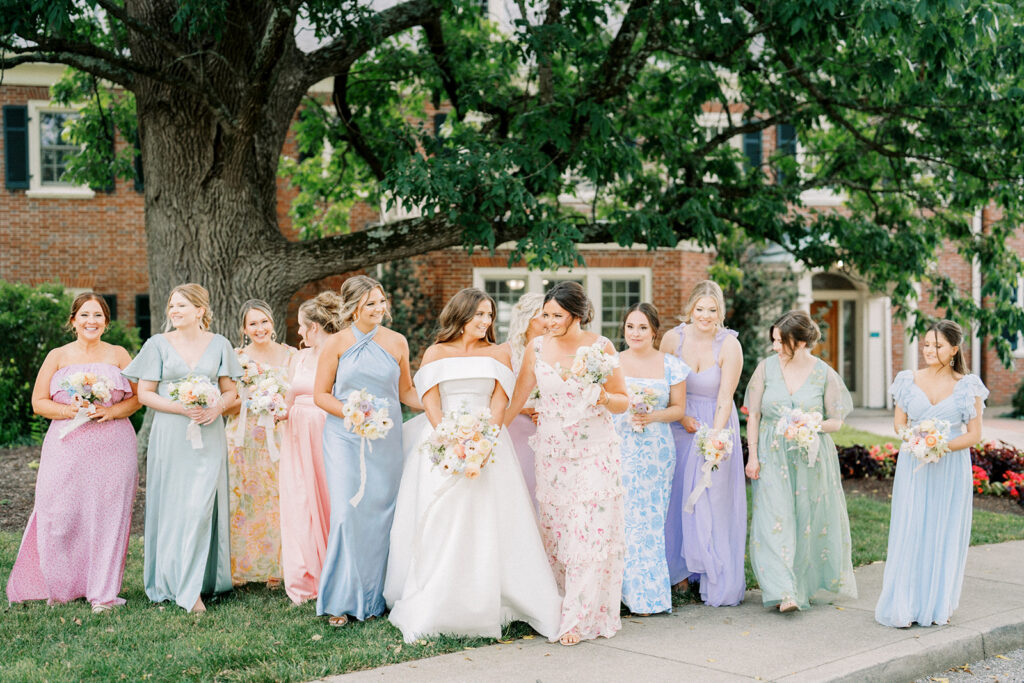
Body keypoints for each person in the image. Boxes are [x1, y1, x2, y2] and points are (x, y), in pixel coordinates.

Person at [384, 288, 561, 642]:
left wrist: (483, 443)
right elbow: (431, 402)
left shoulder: (497, 353)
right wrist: (451, 441)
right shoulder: (436, 352)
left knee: (488, 517)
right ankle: (439, 597)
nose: (485, 321)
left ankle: (493, 595)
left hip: (489, 444)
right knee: (442, 518)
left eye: (489, 315)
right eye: (479, 314)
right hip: (442, 444)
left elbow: (499, 402)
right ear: (461, 314)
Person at [506, 281, 629, 646]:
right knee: (559, 532)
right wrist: (491, 432)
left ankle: (579, 618)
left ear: (577, 314)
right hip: (553, 455)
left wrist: (602, 396)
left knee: (587, 530)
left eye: (556, 316)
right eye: (545, 315)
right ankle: (561, 604)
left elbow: (623, 400)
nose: (548, 322)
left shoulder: (601, 348)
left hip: (595, 452)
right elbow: (518, 397)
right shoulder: (536, 348)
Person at [6, 294, 140, 613]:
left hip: (113, 446)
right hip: (66, 446)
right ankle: (63, 586)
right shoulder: (57, 355)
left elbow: (139, 397)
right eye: (85, 315)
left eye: (98, 315)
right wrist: (70, 410)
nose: (91, 321)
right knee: (60, 514)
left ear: (106, 322)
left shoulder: (119, 354)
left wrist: (111, 411)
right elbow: (39, 402)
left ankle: (102, 593)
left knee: (108, 517)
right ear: (73, 320)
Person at [122, 283, 241, 613]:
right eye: (171, 306)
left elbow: (230, 391)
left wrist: (216, 408)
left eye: (181, 306)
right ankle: (179, 585)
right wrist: (180, 408)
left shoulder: (220, 344)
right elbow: (145, 394)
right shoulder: (157, 344)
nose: (173, 311)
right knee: (175, 506)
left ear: (200, 310)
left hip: (209, 431)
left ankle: (199, 581)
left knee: (201, 506)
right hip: (171, 433)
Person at [314, 275, 420, 626]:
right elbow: (321, 395)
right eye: (370, 303)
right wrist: (352, 412)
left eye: (381, 301)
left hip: (385, 440)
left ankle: (375, 596)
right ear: (353, 307)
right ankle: (341, 599)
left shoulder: (397, 341)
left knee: (381, 515)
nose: (378, 308)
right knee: (347, 513)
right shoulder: (336, 343)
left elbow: (405, 392)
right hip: (344, 437)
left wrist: (441, 404)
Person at [875, 320, 987, 628]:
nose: (928, 350)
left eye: (937, 346)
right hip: (914, 464)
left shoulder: (968, 386)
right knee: (911, 526)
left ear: (954, 349)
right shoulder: (907, 380)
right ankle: (905, 604)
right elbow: (900, 423)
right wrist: (917, 442)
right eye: (926, 344)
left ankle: (938, 603)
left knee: (944, 530)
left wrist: (939, 447)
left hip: (950, 467)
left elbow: (974, 434)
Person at [744, 310, 856, 613]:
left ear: (801, 341)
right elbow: (754, 414)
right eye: (773, 340)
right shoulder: (765, 369)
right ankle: (784, 591)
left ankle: (800, 586)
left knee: (806, 520)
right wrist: (753, 455)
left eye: (781, 341)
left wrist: (810, 423)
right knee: (774, 517)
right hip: (771, 454)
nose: (775, 347)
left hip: (810, 457)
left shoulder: (824, 374)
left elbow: (836, 421)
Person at [660, 280, 746, 606]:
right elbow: (661, 386)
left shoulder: (729, 345)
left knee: (711, 499)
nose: (705, 316)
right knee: (677, 497)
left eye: (712, 310)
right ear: (690, 309)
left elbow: (725, 397)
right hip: (679, 424)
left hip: (715, 424)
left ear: (720, 311)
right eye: (700, 309)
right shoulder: (673, 339)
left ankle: (714, 573)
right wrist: (681, 417)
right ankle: (679, 574)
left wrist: (714, 440)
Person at [613, 303, 688, 615]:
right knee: (622, 519)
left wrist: (651, 415)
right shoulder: (613, 362)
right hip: (620, 447)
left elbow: (679, 409)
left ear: (654, 331)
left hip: (657, 452)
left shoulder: (672, 365)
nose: (635, 333)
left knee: (650, 520)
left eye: (642, 327)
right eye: (630, 327)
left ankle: (647, 595)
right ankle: (618, 593)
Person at [222, 300, 295, 587]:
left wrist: (276, 402)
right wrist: (251, 399)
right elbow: (225, 405)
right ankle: (239, 568)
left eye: (264, 321)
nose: (259, 328)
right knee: (241, 501)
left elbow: (298, 396)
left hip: (279, 437)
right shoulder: (235, 358)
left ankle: (277, 568)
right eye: (252, 323)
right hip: (242, 439)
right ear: (244, 329)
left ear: (272, 323)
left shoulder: (291, 356)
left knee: (278, 499)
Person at [279, 292, 340, 605]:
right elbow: (289, 399)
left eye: (302, 326)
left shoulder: (340, 354)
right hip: (296, 435)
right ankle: (305, 577)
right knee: (300, 501)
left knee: (328, 496)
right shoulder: (299, 358)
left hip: (327, 432)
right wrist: (279, 410)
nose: (300, 331)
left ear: (315, 327)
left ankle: (334, 570)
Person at [499, 292, 546, 508]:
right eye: (544, 315)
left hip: (547, 427)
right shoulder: (505, 352)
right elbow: (497, 396)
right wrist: (526, 409)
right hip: (516, 426)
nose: (550, 321)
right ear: (528, 319)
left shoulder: (553, 351)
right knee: (522, 484)